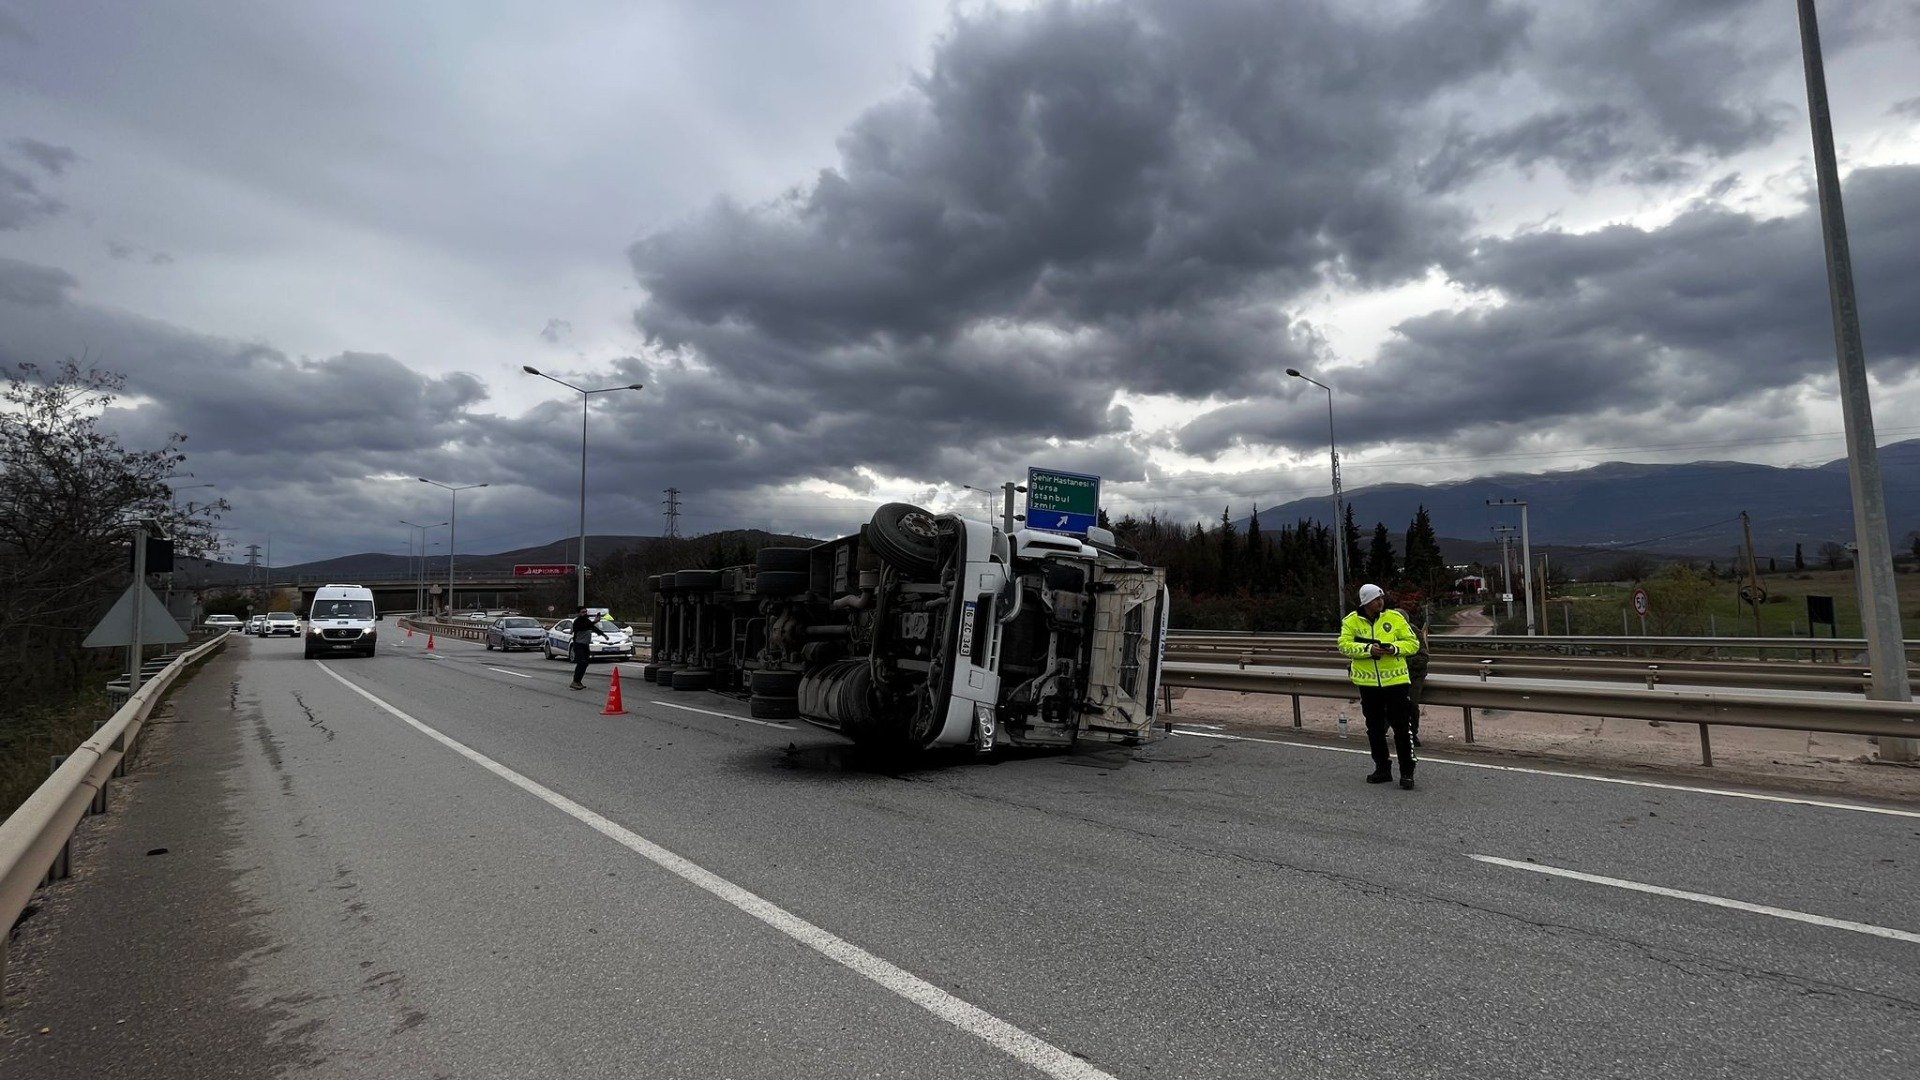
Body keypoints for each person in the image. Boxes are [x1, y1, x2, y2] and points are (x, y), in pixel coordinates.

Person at [1338, 583, 1422, 789]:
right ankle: (1382, 769)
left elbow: (1413, 643)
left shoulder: (1394, 618)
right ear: (1366, 601)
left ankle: (1407, 772)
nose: (1380, 602)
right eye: (1376, 599)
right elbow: (1344, 645)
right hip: (1368, 684)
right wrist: (1368, 649)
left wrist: (1394, 648)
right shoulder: (1351, 621)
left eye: (1381, 598)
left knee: (1402, 729)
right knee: (1374, 729)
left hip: (1396, 682)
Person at [1399, 595, 1431, 747]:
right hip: (1395, 675)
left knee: (1411, 704)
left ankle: (1412, 734)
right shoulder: (1386, 632)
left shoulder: (1414, 632)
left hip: (1414, 674)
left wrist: (1404, 662)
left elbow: (1423, 657)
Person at [568, 605, 611, 690]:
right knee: (581, 662)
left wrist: (603, 634)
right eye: (583, 612)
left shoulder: (586, 621)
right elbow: (584, 627)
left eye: (585, 611)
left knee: (586, 663)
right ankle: (575, 681)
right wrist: (594, 621)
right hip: (578, 644)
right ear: (578, 613)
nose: (585, 613)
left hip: (585, 645)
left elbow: (593, 628)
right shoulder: (577, 621)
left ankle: (578, 681)